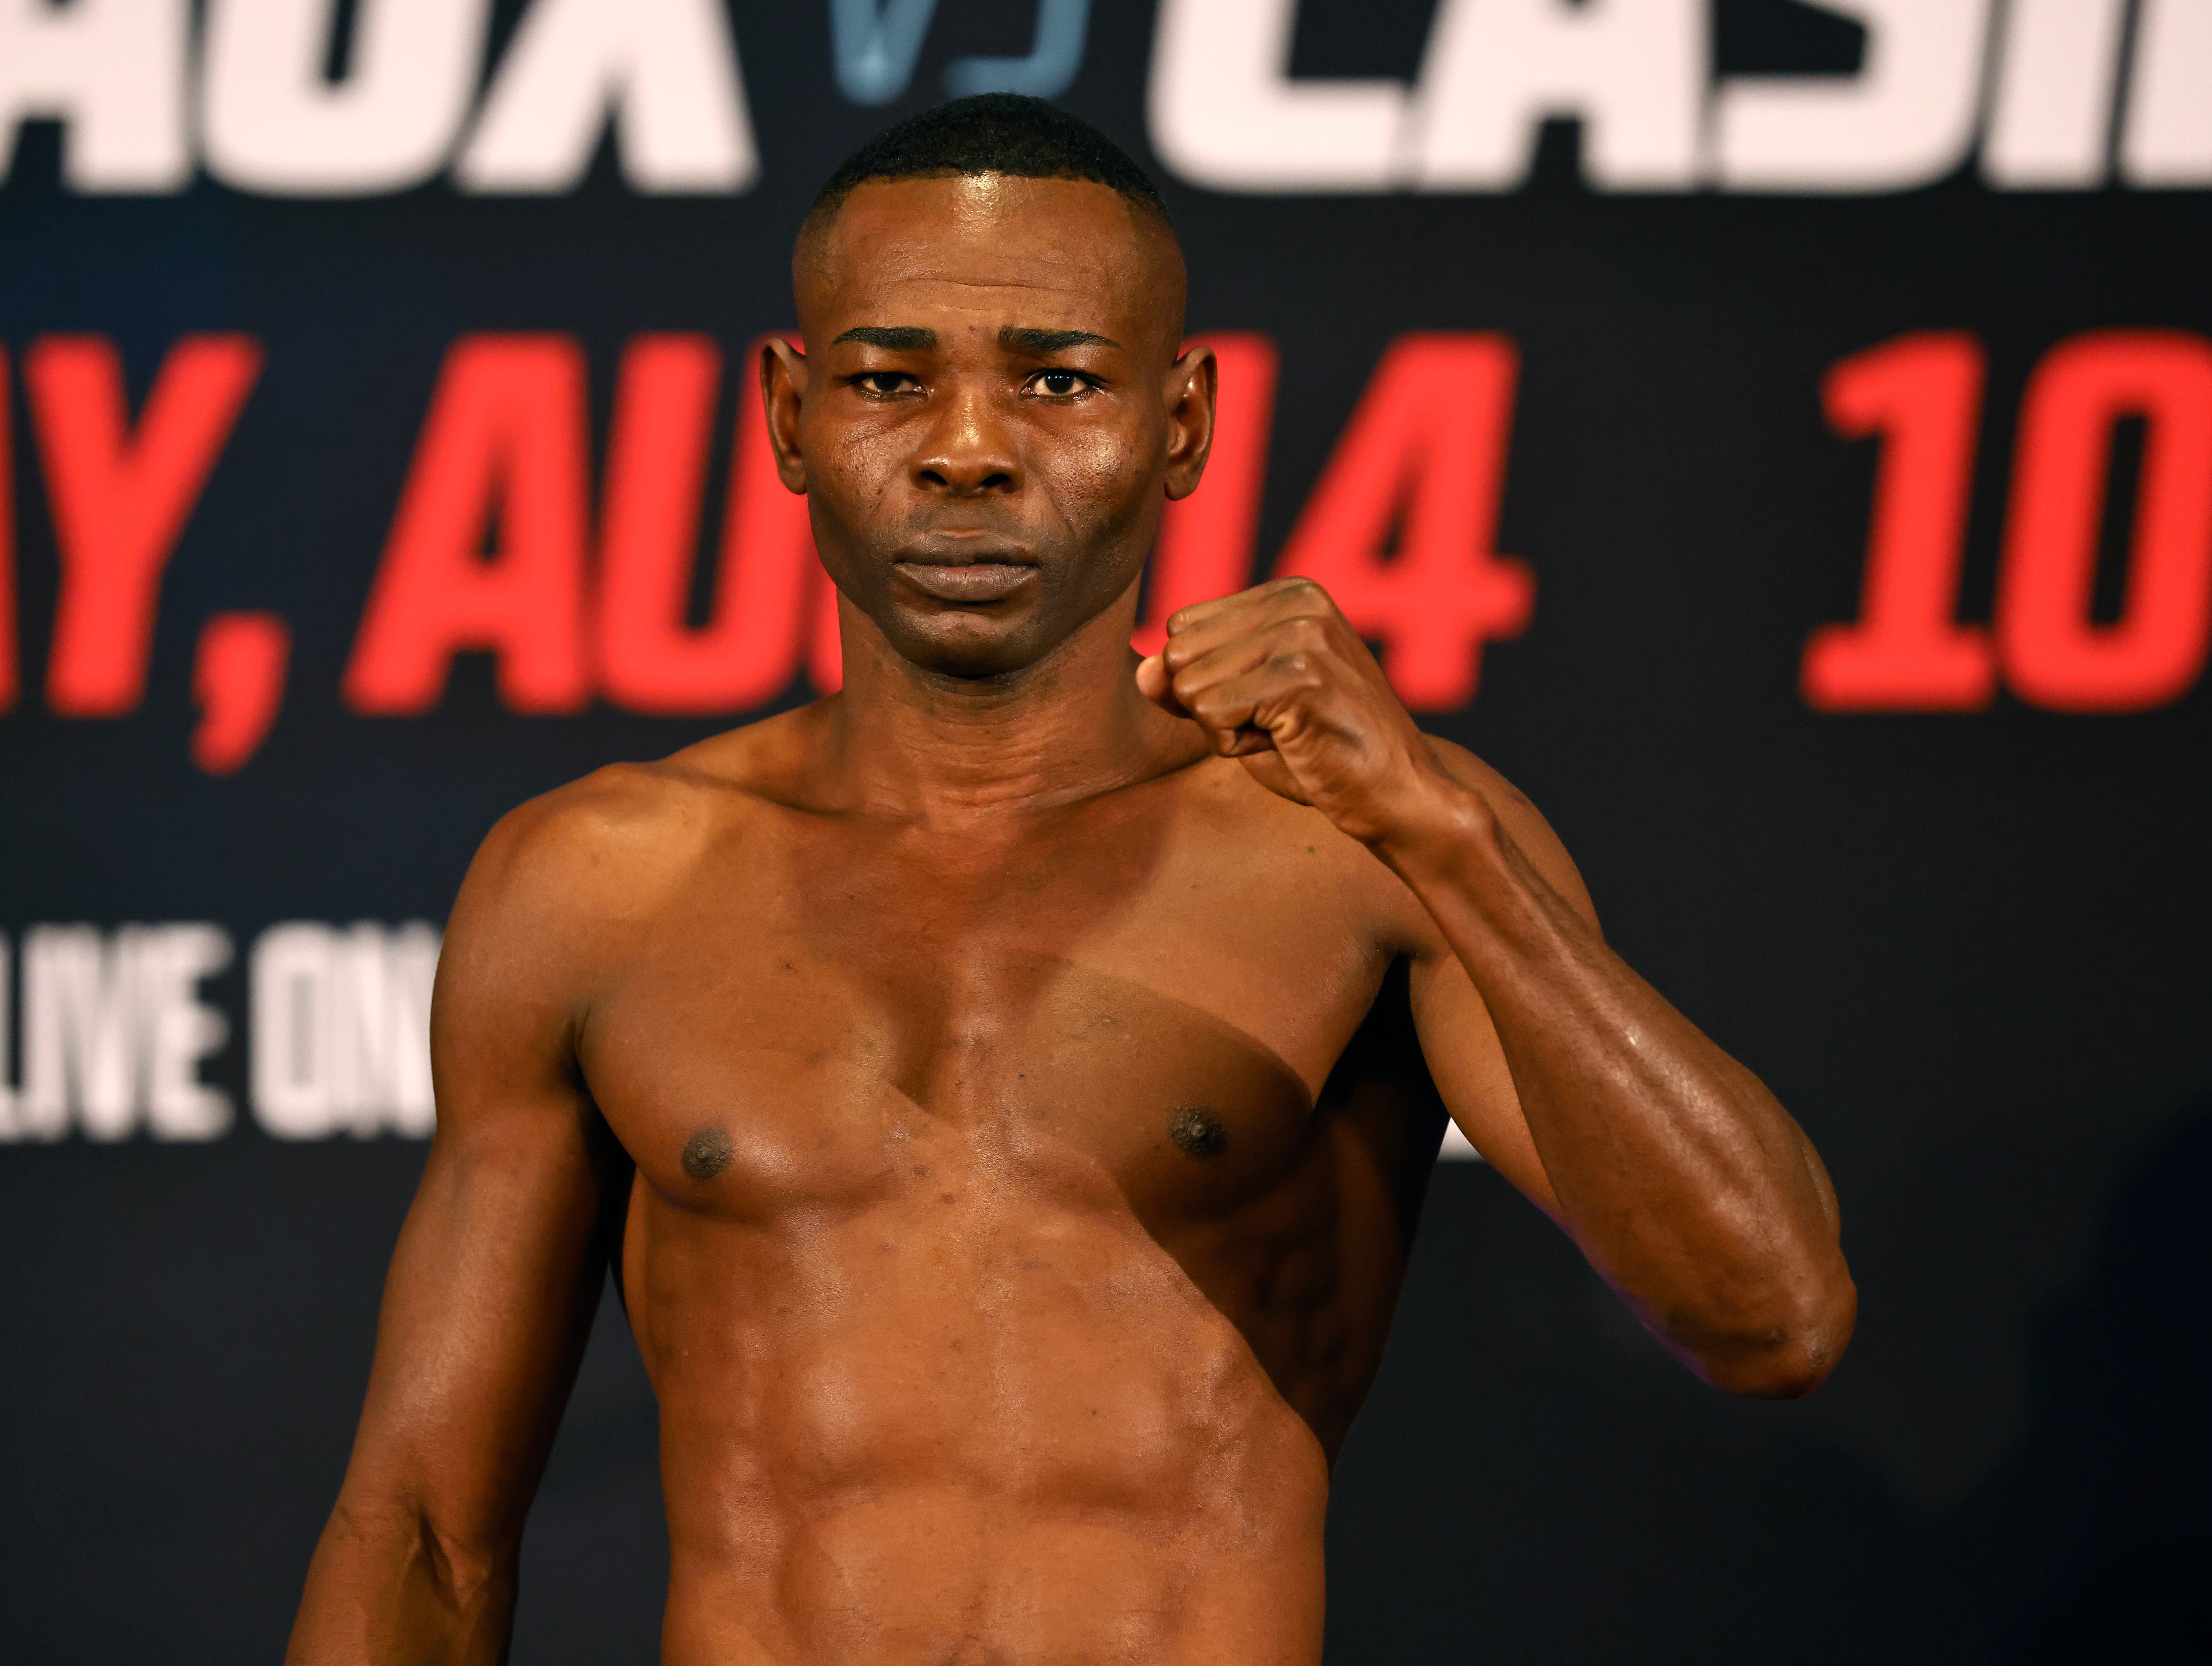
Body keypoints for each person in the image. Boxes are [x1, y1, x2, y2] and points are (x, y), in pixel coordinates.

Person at [285, 94, 1854, 1665]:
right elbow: (420, 1528)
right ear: (787, 416)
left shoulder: (1356, 851)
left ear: (1178, 426)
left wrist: (1445, 837)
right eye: (892, 380)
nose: (969, 450)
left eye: (1055, 380)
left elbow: (1772, 1320)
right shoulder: (595, 884)